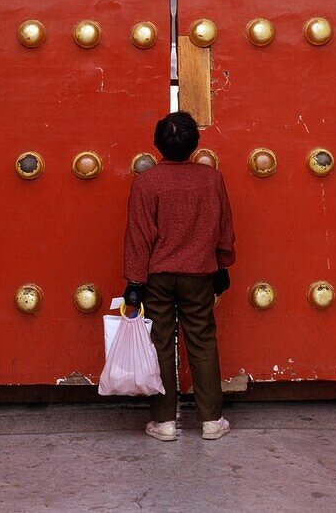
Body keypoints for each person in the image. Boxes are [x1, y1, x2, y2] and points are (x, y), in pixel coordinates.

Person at [123, 110, 236, 441]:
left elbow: (138, 236)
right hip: (199, 272)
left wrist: (134, 281)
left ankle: (165, 422)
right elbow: (224, 228)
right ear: (195, 144)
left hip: (157, 276)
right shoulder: (211, 179)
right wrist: (223, 264)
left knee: (160, 342)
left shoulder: (147, 182)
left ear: (157, 144)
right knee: (202, 340)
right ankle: (212, 420)